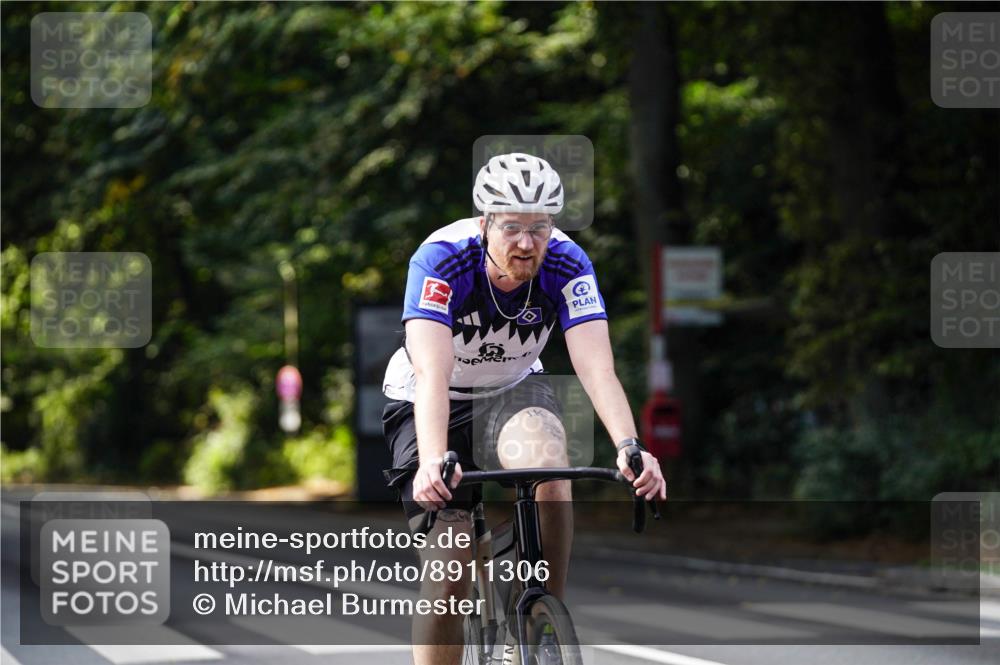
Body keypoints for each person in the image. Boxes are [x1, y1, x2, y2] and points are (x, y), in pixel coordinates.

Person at [382, 152, 667, 665]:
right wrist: (432, 459)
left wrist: (631, 446)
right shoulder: (442, 258)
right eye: (511, 226)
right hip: (428, 398)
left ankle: (535, 622)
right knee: (450, 562)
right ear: (485, 221)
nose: (526, 243)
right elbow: (432, 374)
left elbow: (597, 368)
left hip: (513, 389)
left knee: (552, 478)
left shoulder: (567, 262)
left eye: (540, 227)